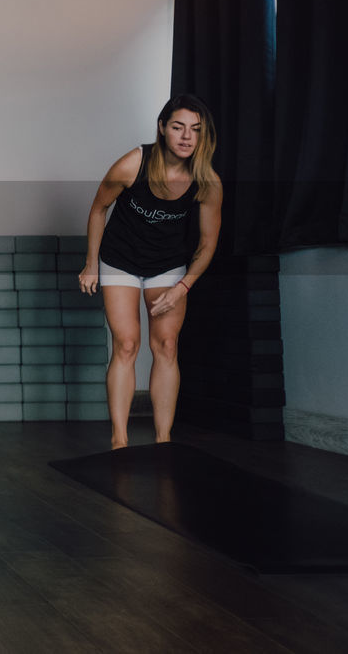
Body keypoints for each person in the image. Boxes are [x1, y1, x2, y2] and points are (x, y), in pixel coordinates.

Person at [78, 94, 222, 449]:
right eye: (178, 127)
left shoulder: (207, 181)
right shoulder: (132, 164)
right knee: (126, 344)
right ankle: (120, 441)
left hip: (168, 266)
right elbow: (99, 209)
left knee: (167, 345)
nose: (187, 137)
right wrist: (91, 264)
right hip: (120, 260)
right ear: (162, 128)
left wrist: (181, 288)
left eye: (195, 130)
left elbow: (206, 246)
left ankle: (163, 441)